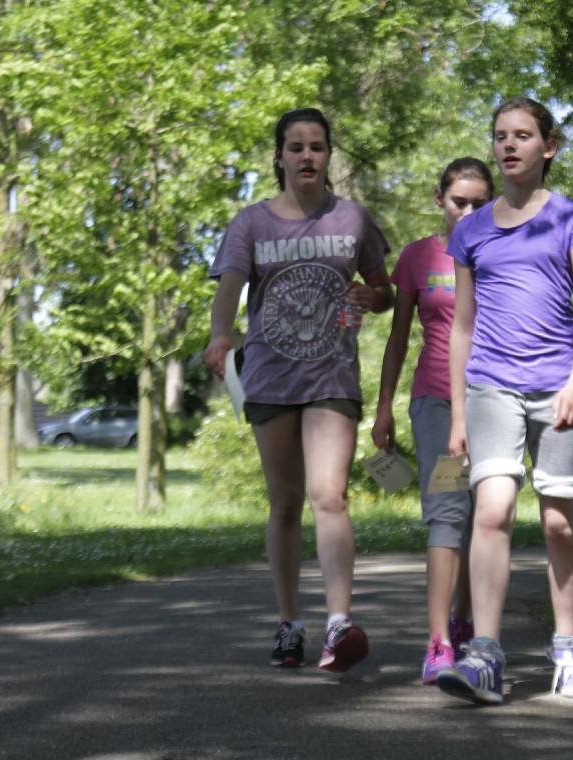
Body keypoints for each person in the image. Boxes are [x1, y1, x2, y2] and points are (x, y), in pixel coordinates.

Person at [203, 107, 394, 673]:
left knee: (329, 495)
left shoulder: (353, 219)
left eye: (316, 146)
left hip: (332, 372)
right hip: (270, 374)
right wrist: (219, 335)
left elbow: (384, 291)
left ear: (329, 155)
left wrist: (371, 298)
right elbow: (230, 287)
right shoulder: (252, 223)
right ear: (280, 157)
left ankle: (339, 624)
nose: (307, 156)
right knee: (285, 503)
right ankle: (290, 625)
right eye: (296, 147)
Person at [435, 96, 573, 705]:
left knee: (558, 519)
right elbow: (461, 326)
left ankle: (568, 648)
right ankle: (484, 655)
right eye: (500, 135)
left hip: (559, 386)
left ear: (548, 147)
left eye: (523, 135)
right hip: (491, 386)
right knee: (492, 510)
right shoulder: (471, 230)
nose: (509, 145)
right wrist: (458, 412)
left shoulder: (571, 219)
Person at [371, 157, 495, 684]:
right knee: (447, 512)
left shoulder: (502, 251)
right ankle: (439, 642)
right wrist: (383, 406)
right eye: (458, 201)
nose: (467, 211)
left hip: (494, 402)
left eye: (479, 203)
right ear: (439, 200)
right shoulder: (419, 257)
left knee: (484, 515)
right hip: (438, 405)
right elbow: (398, 337)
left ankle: (466, 620)